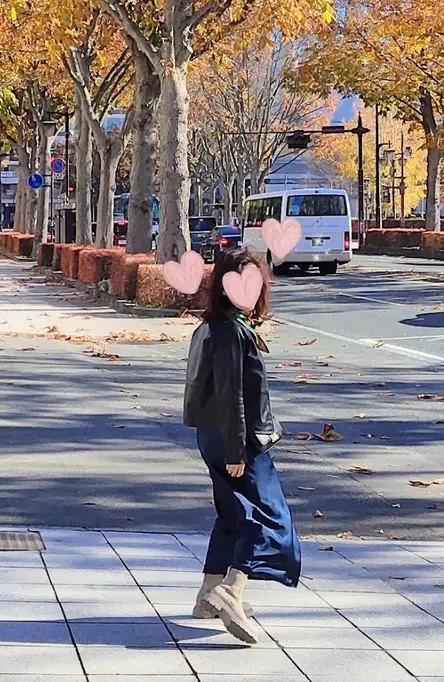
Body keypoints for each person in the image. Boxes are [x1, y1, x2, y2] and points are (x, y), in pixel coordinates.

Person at [181, 247, 300, 645]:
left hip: (213, 435)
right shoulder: (230, 332)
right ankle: (230, 592)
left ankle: (206, 597)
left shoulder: (213, 325)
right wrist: (236, 452)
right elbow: (232, 394)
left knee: (231, 516)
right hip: (237, 440)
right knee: (268, 519)